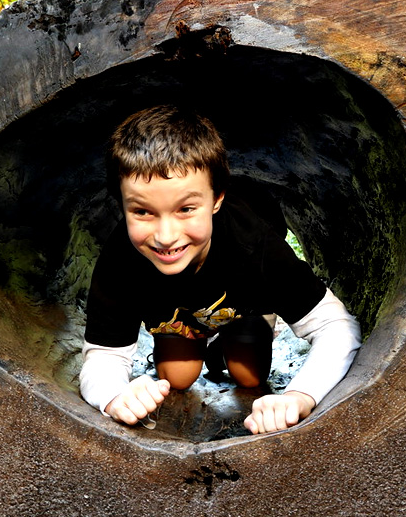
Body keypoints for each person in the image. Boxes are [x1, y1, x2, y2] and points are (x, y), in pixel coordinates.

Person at [79, 105, 361, 434]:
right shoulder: (121, 259)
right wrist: (115, 395)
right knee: (176, 379)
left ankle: (255, 323)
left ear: (216, 200)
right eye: (143, 212)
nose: (166, 236)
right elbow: (103, 355)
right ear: (121, 205)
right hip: (178, 317)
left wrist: (300, 395)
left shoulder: (253, 244)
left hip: (242, 305)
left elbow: (337, 326)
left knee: (250, 375)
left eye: (186, 209)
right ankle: (198, 337)